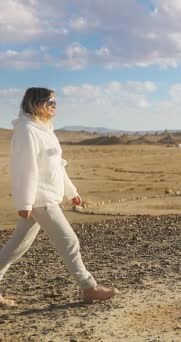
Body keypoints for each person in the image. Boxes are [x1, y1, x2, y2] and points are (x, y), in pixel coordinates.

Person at [0, 87, 118, 307]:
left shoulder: (44, 129)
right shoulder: (27, 131)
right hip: (39, 198)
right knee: (69, 241)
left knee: (17, 246)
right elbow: (26, 169)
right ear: (35, 104)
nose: (54, 106)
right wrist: (25, 203)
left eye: (55, 102)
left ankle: (88, 288)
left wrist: (71, 192)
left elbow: (56, 166)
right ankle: (89, 287)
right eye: (50, 102)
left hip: (46, 197)